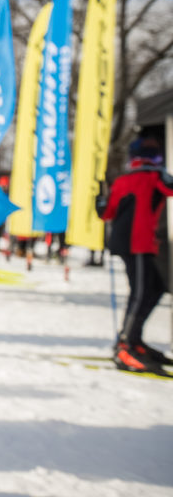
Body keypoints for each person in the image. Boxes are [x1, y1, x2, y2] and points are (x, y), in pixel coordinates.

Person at [97, 136, 173, 375]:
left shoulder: (126, 179)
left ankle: (134, 339)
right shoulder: (153, 176)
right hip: (137, 243)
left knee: (156, 288)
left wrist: (99, 201)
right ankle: (126, 344)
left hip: (136, 243)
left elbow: (106, 212)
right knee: (141, 293)